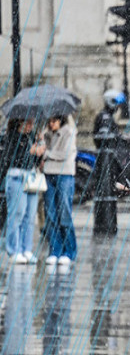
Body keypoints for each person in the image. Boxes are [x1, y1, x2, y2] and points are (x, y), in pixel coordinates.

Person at [2, 119, 44, 264]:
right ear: (19, 122)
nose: (30, 126)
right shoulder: (12, 137)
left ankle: (27, 249)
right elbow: (10, 160)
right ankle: (14, 250)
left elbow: (35, 162)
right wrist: (29, 151)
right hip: (17, 177)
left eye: (32, 123)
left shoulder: (31, 136)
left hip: (31, 178)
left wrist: (39, 150)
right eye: (27, 123)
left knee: (30, 215)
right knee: (17, 213)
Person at [42, 115, 78, 269]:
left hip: (64, 175)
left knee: (64, 212)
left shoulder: (69, 132)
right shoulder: (46, 133)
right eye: (49, 121)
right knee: (50, 214)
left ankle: (69, 251)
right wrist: (42, 139)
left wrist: (47, 153)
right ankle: (55, 250)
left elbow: (64, 154)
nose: (51, 124)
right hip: (48, 174)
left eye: (54, 121)